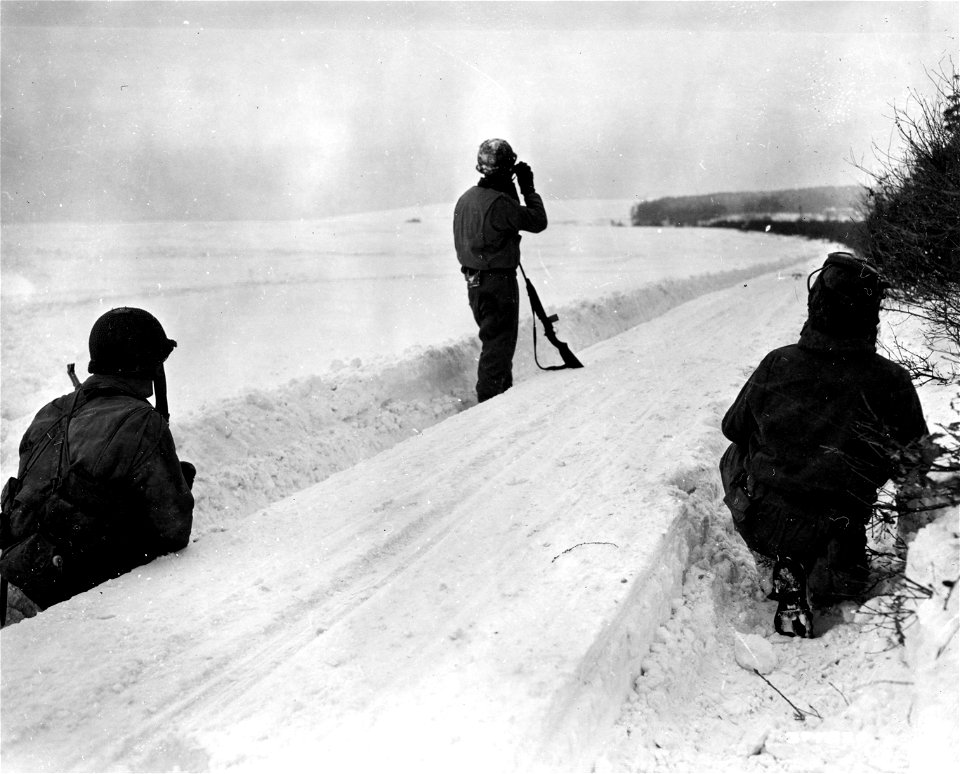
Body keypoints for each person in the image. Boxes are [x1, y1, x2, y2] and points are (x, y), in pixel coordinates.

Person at [719, 252, 928, 637]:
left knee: (735, 453)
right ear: (870, 315)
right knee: (840, 582)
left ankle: (775, 562)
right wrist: (912, 553)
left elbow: (733, 428)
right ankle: (825, 571)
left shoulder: (776, 363)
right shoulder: (890, 381)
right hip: (839, 530)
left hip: (769, 521)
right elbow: (916, 464)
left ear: (816, 305)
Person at [1, 307, 195, 626]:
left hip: (11, 579)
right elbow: (173, 531)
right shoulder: (142, 422)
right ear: (146, 363)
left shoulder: (50, 412)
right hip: (60, 605)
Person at [453, 138, 548, 402]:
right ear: (506, 168)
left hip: (474, 282)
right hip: (499, 283)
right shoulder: (501, 204)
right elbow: (538, 221)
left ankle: (500, 398)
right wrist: (527, 188)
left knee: (495, 343)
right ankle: (490, 408)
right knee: (499, 347)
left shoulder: (465, 200)